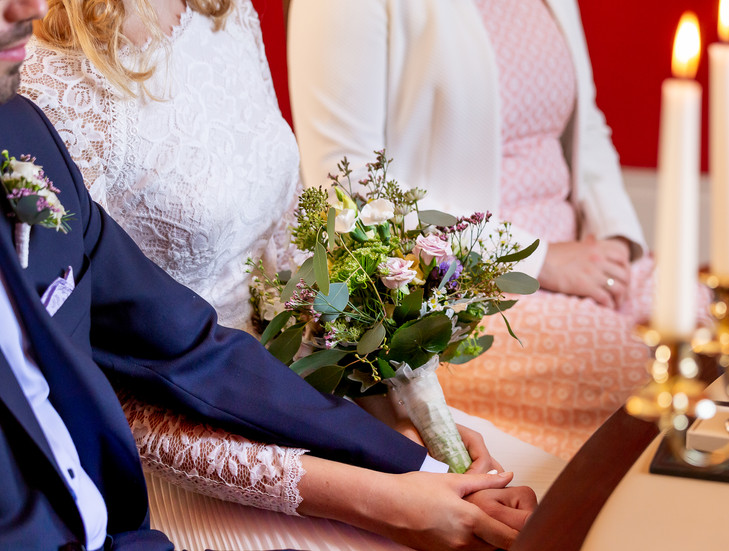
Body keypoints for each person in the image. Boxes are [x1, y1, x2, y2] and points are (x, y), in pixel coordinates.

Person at [0, 1, 540, 550]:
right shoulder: (33, 79)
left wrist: (398, 433)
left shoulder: (223, 11)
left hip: (292, 391)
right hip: (184, 451)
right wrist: (378, 495)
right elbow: (115, 383)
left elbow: (284, 262)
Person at [287, 0, 683, 459]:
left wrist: (615, 240)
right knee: (639, 366)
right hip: (459, 290)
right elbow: (348, 185)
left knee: (697, 325)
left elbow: (587, 126)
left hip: (581, 254)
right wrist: (541, 259)